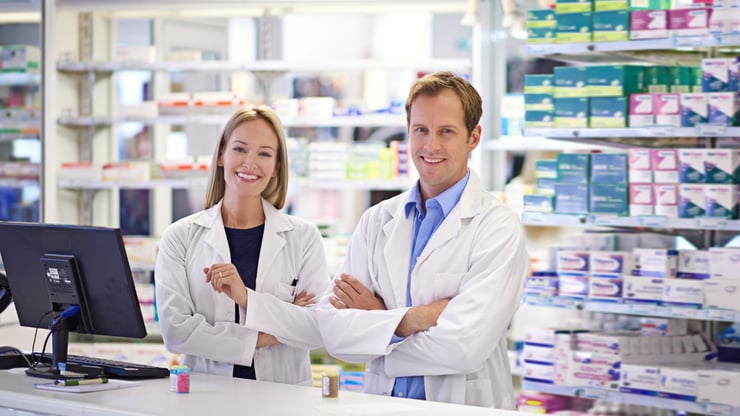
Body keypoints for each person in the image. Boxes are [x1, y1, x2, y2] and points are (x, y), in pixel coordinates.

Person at [316, 71, 529, 408]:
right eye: (421, 131)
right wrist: (414, 319)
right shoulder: (377, 221)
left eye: (446, 131)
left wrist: (379, 324)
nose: (431, 146)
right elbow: (334, 334)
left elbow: (464, 348)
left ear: (473, 137)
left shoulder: (497, 228)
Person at [155, 104, 329, 385]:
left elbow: (319, 328)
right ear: (222, 155)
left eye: (264, 153)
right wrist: (271, 333)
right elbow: (176, 332)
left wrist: (247, 298)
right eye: (239, 149)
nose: (250, 163)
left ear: (276, 168)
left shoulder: (303, 238)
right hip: (208, 397)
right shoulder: (180, 237)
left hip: (282, 400)